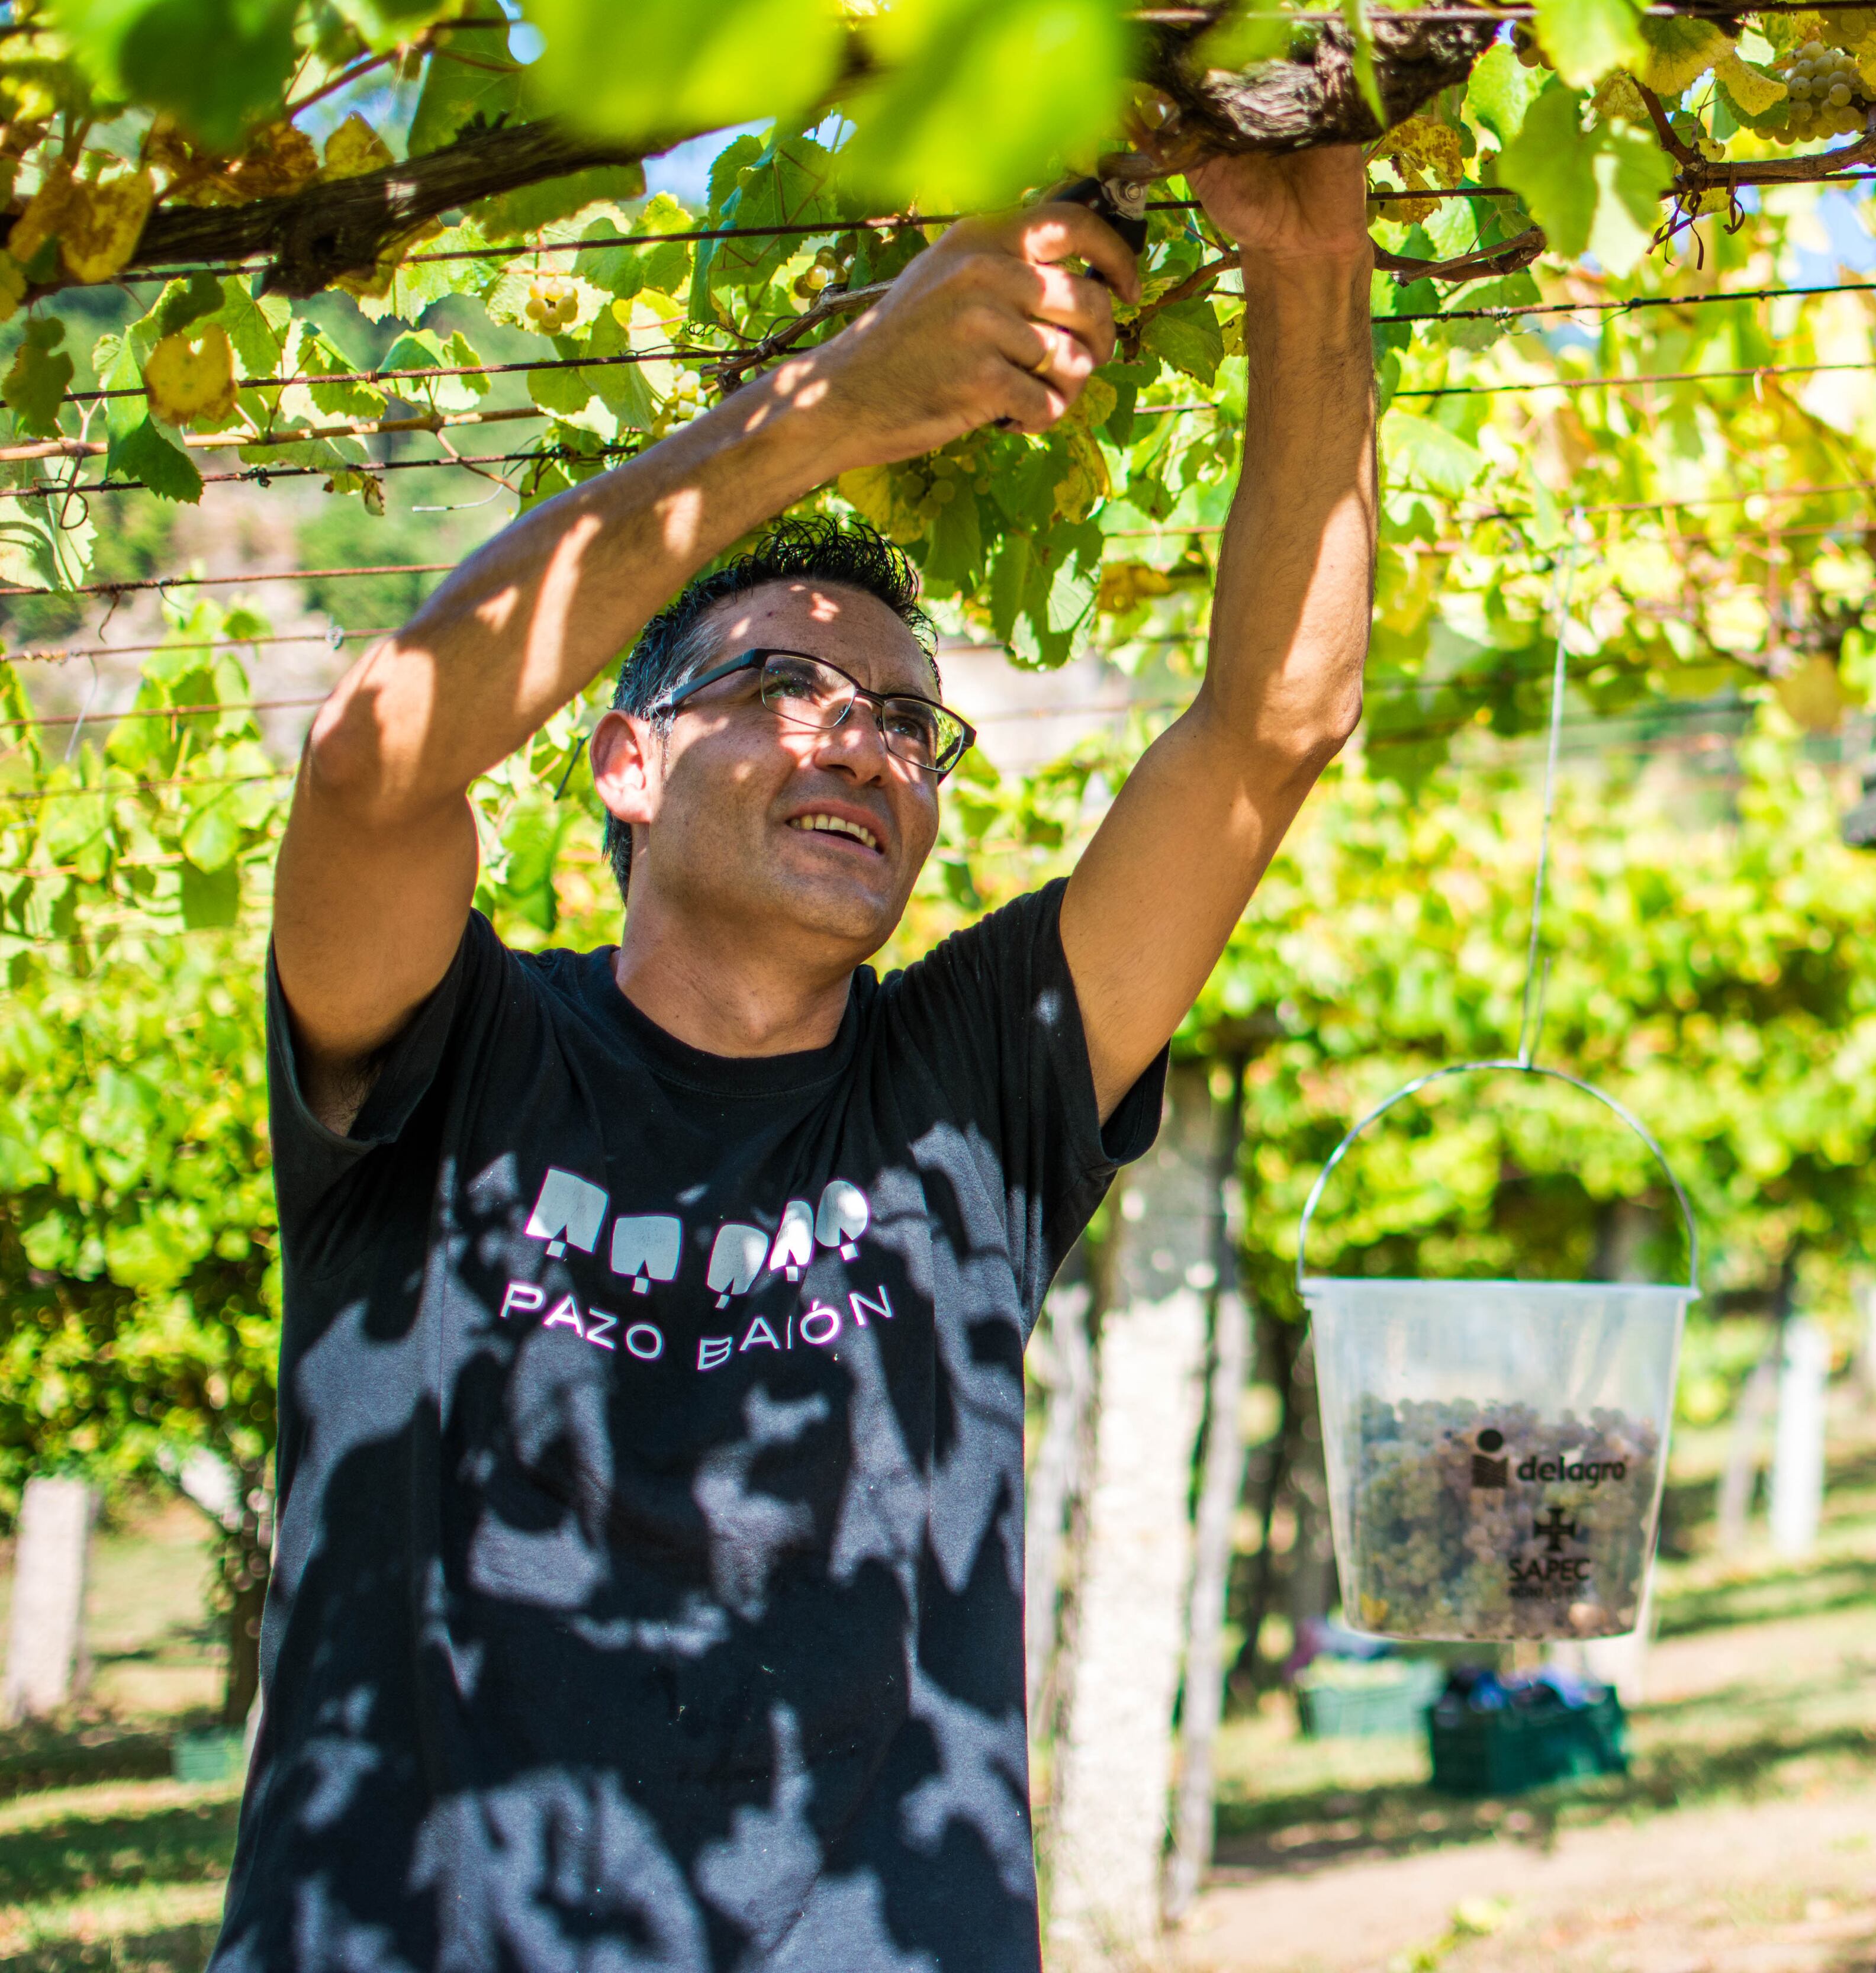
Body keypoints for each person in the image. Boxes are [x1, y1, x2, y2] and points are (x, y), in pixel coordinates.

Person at [222, 144, 1376, 1973]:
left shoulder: (971, 1092)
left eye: (909, 721)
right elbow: (375, 760)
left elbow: (1274, 726)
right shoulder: (455, 1059)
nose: (863, 743)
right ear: (626, 763)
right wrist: (834, 407)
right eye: (782, 687)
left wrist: (1313, 258)